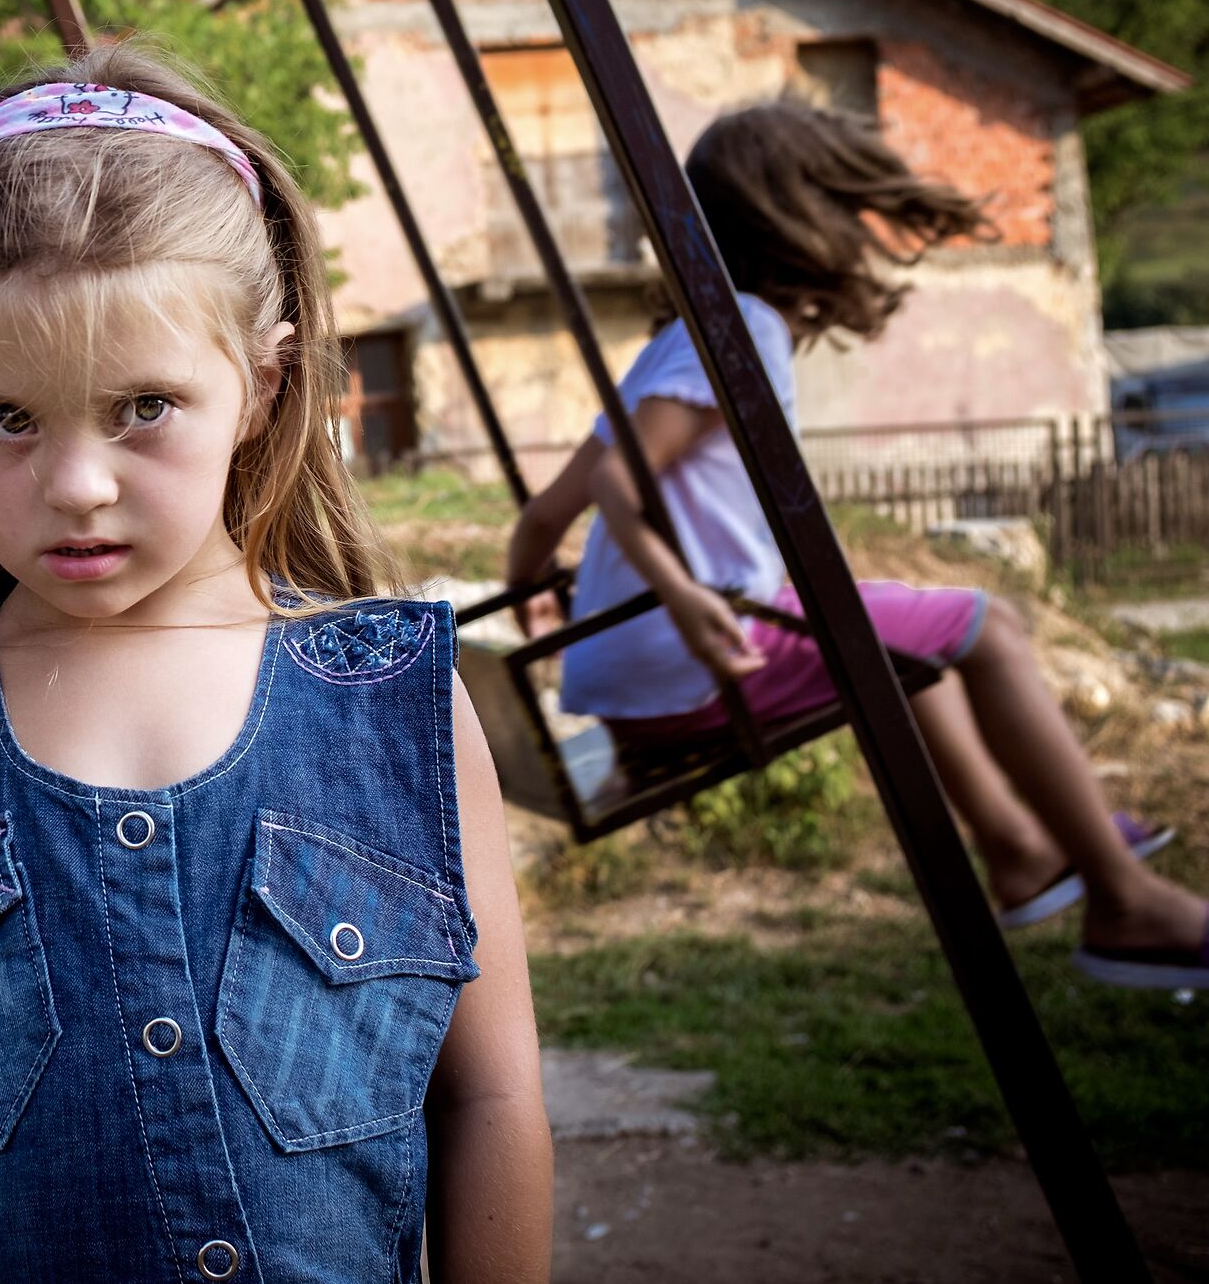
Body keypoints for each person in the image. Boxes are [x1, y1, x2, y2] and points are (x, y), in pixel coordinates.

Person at [0, 46, 552, 1282]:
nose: (77, 485)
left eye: (143, 405)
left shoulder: (399, 715)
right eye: (9, 417)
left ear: (261, 380)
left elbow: (490, 1098)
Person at [506, 100, 1205, 990]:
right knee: (991, 626)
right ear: (802, 219)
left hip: (633, 683)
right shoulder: (740, 328)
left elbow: (541, 520)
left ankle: (1020, 842)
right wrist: (680, 594)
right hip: (703, 660)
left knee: (914, 642)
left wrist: (537, 592)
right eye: (846, 207)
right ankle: (1126, 903)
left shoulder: (670, 345)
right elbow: (616, 485)